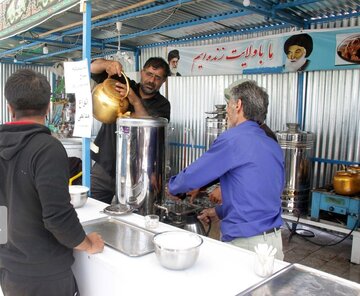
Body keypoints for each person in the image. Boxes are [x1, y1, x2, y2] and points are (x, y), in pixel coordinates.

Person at [0, 69, 104, 296]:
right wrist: (88, 243)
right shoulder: (48, 148)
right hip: (46, 276)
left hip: (10, 273)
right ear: (48, 108)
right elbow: (57, 217)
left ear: (9, 107)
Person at [168, 80, 285, 260]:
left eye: (228, 104)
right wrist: (219, 211)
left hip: (246, 245)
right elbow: (257, 195)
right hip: (273, 243)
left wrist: (173, 187)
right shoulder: (272, 144)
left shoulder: (234, 138)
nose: (227, 111)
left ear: (237, 105)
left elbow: (194, 175)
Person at [90, 57, 171, 204]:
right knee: (94, 209)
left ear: (164, 81)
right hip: (104, 165)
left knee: (130, 216)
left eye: (157, 77)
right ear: (142, 72)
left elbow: (148, 127)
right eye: (149, 74)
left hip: (135, 173)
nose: (151, 80)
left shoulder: (162, 105)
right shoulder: (122, 83)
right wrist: (109, 64)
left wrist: (134, 100)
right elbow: (92, 68)